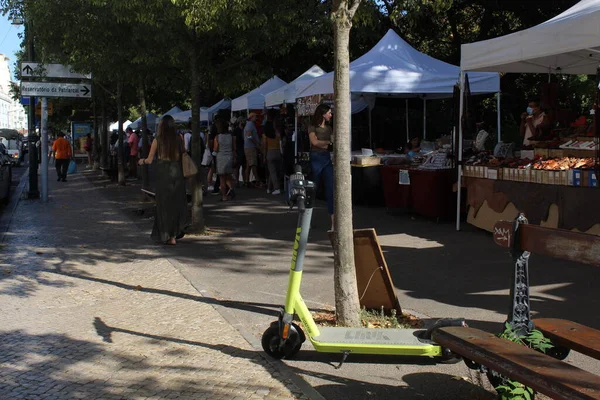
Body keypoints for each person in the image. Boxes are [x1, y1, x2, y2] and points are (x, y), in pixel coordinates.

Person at [138, 115, 188, 245]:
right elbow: (183, 153)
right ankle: (174, 234)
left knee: (163, 206)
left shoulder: (157, 140)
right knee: (176, 204)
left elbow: (149, 160)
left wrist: (141, 161)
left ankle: (166, 234)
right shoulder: (179, 138)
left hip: (163, 174)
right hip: (177, 173)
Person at [308, 104, 334, 229]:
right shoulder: (312, 127)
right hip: (317, 158)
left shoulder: (329, 128)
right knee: (313, 188)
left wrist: (323, 144)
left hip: (325, 157)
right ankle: (307, 218)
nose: (331, 115)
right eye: (329, 112)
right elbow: (314, 142)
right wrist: (328, 143)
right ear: (323, 114)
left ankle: (334, 222)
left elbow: (321, 143)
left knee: (331, 189)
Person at [214, 119, 236, 201]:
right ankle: (231, 188)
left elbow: (215, 149)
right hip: (229, 156)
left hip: (221, 157)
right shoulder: (231, 137)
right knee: (228, 177)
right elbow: (234, 148)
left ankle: (224, 196)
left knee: (222, 179)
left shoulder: (217, 137)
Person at [263, 109, 282, 195]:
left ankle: (276, 188)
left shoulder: (265, 136)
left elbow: (264, 146)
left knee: (272, 171)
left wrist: (264, 155)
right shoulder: (278, 134)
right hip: (278, 152)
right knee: (273, 171)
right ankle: (269, 187)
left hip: (270, 152)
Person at [244, 112, 261, 187]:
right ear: (251, 117)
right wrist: (256, 143)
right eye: (255, 116)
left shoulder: (249, 124)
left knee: (249, 165)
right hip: (250, 147)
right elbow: (249, 136)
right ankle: (257, 180)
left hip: (248, 146)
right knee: (253, 164)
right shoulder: (250, 124)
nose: (256, 118)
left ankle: (247, 181)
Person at [231, 116, 246, 187]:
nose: (244, 122)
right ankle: (237, 181)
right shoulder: (236, 130)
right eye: (243, 121)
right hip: (239, 149)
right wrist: (234, 150)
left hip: (244, 148)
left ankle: (244, 180)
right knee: (237, 166)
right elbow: (234, 140)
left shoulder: (245, 129)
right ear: (240, 122)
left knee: (244, 166)